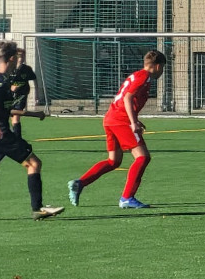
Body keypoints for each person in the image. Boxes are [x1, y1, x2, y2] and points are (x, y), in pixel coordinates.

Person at [0, 41, 63, 220]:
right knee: (34, 164)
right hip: (0, 134)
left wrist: (31, 114)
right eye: (16, 58)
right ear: (12, 59)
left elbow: (3, 109)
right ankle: (37, 209)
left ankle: (38, 208)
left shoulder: (4, 78)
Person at [68, 50, 168, 209]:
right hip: (121, 120)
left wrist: (135, 119)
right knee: (142, 157)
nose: (162, 72)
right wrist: (133, 121)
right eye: (162, 68)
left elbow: (126, 99)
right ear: (157, 66)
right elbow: (128, 97)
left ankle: (80, 183)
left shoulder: (136, 75)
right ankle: (127, 198)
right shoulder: (144, 76)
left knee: (113, 161)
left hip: (111, 119)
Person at [7, 47, 46, 138]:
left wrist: (37, 94)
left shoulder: (27, 69)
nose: (22, 58)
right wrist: (10, 88)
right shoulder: (9, 68)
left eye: (23, 56)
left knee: (16, 115)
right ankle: (13, 135)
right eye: (19, 56)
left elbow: (34, 80)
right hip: (10, 96)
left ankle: (17, 138)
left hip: (22, 95)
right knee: (10, 116)